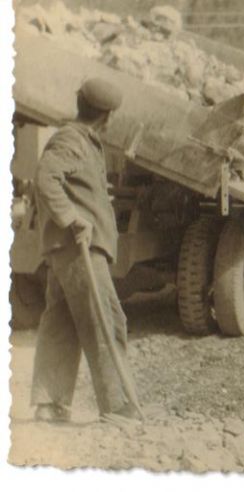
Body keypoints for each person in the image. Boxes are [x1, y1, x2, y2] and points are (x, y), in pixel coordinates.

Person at [30, 77, 138, 422]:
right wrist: (72, 218)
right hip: (79, 249)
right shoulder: (72, 140)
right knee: (106, 319)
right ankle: (118, 405)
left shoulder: (81, 140)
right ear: (106, 117)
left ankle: (50, 403)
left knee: (61, 322)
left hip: (69, 249)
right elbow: (45, 177)